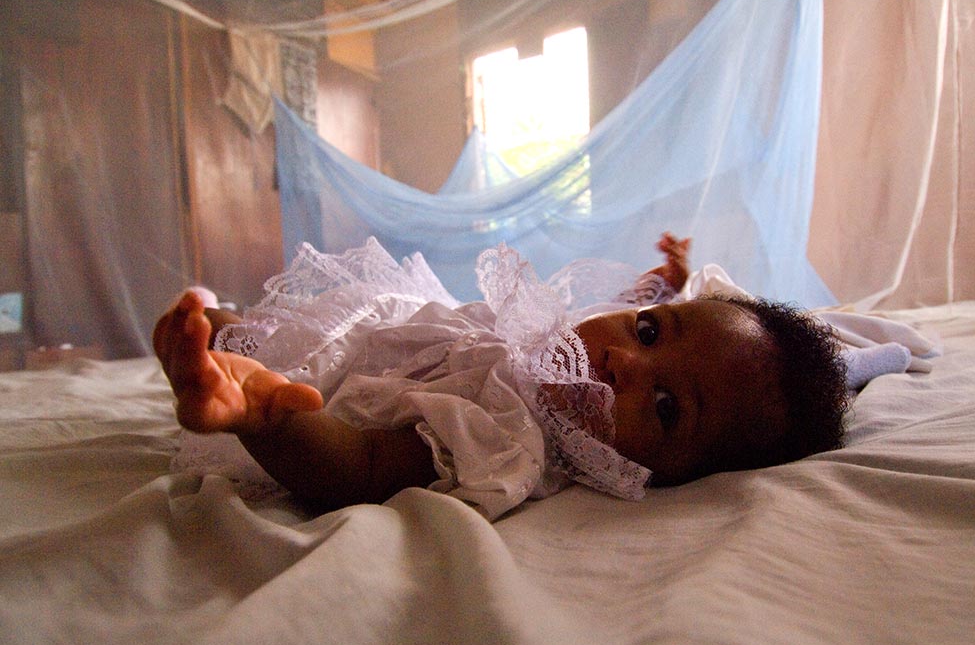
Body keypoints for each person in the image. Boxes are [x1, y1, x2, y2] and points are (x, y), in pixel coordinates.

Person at [155, 233, 849, 520]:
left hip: (317, 395)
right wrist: (660, 287)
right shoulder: (578, 335)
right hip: (381, 323)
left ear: (662, 475)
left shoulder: (512, 439)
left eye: (665, 407)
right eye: (646, 333)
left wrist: (266, 417)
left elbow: (363, 466)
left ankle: (214, 361)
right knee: (269, 317)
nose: (622, 363)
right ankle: (216, 319)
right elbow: (622, 310)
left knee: (241, 349)